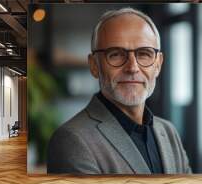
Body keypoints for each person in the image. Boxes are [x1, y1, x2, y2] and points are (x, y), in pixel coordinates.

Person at [47, 7, 192, 174]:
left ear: (158, 64)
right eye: (116, 54)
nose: (132, 68)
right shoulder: (72, 140)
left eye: (144, 54)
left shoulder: (169, 132)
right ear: (94, 65)